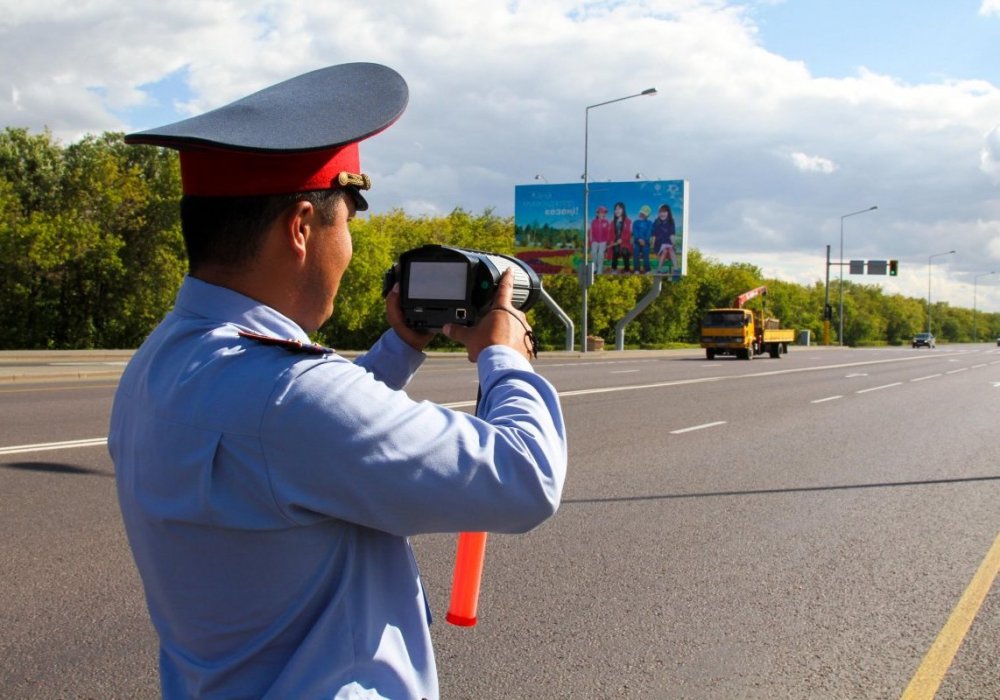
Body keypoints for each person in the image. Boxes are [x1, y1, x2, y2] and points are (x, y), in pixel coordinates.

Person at [108, 63, 567, 700]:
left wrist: (402, 346)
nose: (349, 247)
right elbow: (523, 479)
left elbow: (291, 449)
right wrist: (505, 356)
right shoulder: (287, 396)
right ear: (301, 228)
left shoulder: (163, 361)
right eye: (346, 221)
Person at [652, 203, 678, 277]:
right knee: (665, 250)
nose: (662, 214)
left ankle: (676, 270)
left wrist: (674, 244)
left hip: (669, 246)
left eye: (664, 212)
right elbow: (654, 235)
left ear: (668, 213)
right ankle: (659, 270)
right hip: (659, 245)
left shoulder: (671, 221)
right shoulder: (656, 222)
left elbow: (672, 235)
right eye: (660, 212)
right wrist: (652, 246)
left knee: (669, 249)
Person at [609, 201, 632, 274]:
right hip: (615, 243)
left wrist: (622, 239)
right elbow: (611, 234)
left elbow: (629, 233)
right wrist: (612, 241)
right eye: (615, 209)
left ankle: (627, 270)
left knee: (625, 252)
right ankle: (614, 269)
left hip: (625, 243)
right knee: (615, 251)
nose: (617, 211)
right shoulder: (613, 222)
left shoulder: (628, 221)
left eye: (619, 209)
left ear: (623, 210)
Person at [588, 204, 612, 274]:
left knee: (601, 255)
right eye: (602, 212)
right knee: (593, 252)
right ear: (598, 213)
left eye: (604, 213)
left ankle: (599, 272)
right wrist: (591, 241)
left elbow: (608, 232)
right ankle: (595, 267)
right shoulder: (593, 222)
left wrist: (607, 241)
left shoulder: (607, 222)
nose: (603, 214)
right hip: (594, 240)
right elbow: (591, 232)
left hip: (603, 241)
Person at [631, 204, 653, 273]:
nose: (642, 215)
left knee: (645, 254)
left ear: (647, 215)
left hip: (645, 242)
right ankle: (636, 269)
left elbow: (649, 233)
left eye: (644, 214)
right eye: (641, 213)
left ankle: (647, 269)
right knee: (636, 254)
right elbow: (635, 232)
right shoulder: (635, 222)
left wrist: (645, 240)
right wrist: (639, 239)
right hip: (637, 242)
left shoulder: (649, 223)